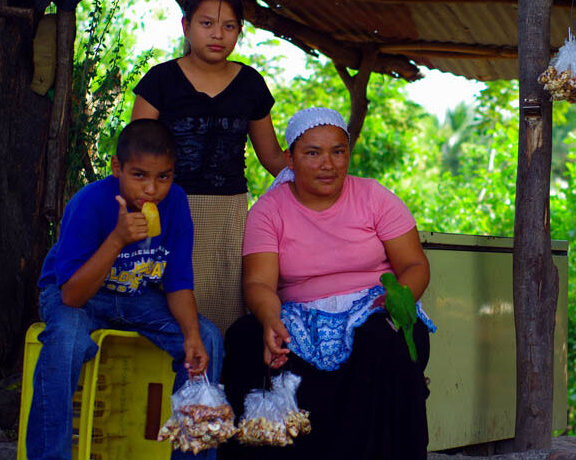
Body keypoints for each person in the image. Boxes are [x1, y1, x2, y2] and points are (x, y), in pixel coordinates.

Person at [219, 107, 436, 460]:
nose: (328, 164)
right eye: (313, 153)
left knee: (381, 340)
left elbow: (414, 265)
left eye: (338, 152)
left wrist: (396, 302)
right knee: (244, 338)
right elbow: (258, 282)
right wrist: (270, 319)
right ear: (290, 158)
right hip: (298, 315)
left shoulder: (374, 197)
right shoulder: (269, 209)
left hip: (371, 308)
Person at [27, 119, 223, 460]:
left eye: (163, 176)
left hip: (135, 297)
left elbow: (177, 283)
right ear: (117, 167)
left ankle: (190, 455)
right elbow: (71, 295)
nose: (152, 189)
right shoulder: (90, 203)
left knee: (207, 338)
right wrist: (117, 239)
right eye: (139, 175)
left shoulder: (176, 203)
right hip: (79, 295)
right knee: (66, 338)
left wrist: (191, 334)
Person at [131, 0, 287, 333]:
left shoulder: (251, 84)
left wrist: (321, 163)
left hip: (229, 216)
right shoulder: (160, 80)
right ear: (186, 26)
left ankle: (220, 367)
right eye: (207, 24)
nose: (218, 34)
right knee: (169, 310)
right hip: (167, 210)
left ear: (239, 32)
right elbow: (136, 157)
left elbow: (273, 158)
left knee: (225, 313)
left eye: (229, 26)